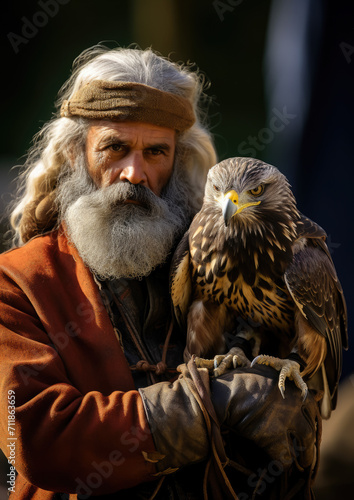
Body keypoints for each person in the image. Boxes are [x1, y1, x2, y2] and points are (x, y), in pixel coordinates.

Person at [0, 45, 320, 500]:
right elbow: (36, 436)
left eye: (156, 152)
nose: (135, 172)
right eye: (114, 147)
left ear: (179, 160)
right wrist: (214, 404)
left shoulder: (212, 260)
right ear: (75, 155)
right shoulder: (18, 282)